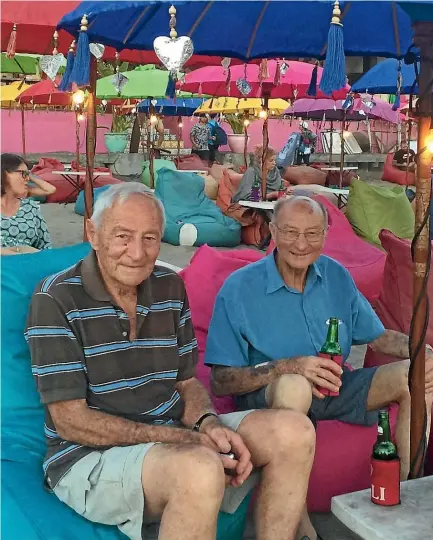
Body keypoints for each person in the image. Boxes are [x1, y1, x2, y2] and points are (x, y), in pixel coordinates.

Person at [25, 182, 317, 540]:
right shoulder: (55, 299)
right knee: (199, 468)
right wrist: (179, 438)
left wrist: (207, 424)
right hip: (89, 457)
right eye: (122, 236)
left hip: (170, 435)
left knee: (295, 432)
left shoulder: (168, 285)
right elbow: (71, 422)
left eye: (150, 238)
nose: (136, 253)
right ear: (93, 233)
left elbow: (186, 383)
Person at [205, 196, 433, 482]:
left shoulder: (337, 276)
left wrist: (423, 352)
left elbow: (378, 338)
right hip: (271, 397)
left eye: (312, 233)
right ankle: (298, 512)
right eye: (291, 232)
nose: (301, 244)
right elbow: (221, 382)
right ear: (274, 231)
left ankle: (409, 490)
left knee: (414, 376)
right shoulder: (240, 288)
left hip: (336, 386)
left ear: (325, 234)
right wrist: (289, 367)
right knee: (295, 386)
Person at [1, 153, 55, 255]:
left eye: (28, 175)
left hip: (27, 264)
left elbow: (46, 246)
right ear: (4, 173)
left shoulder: (30, 207)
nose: (27, 179)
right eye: (23, 174)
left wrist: (28, 174)